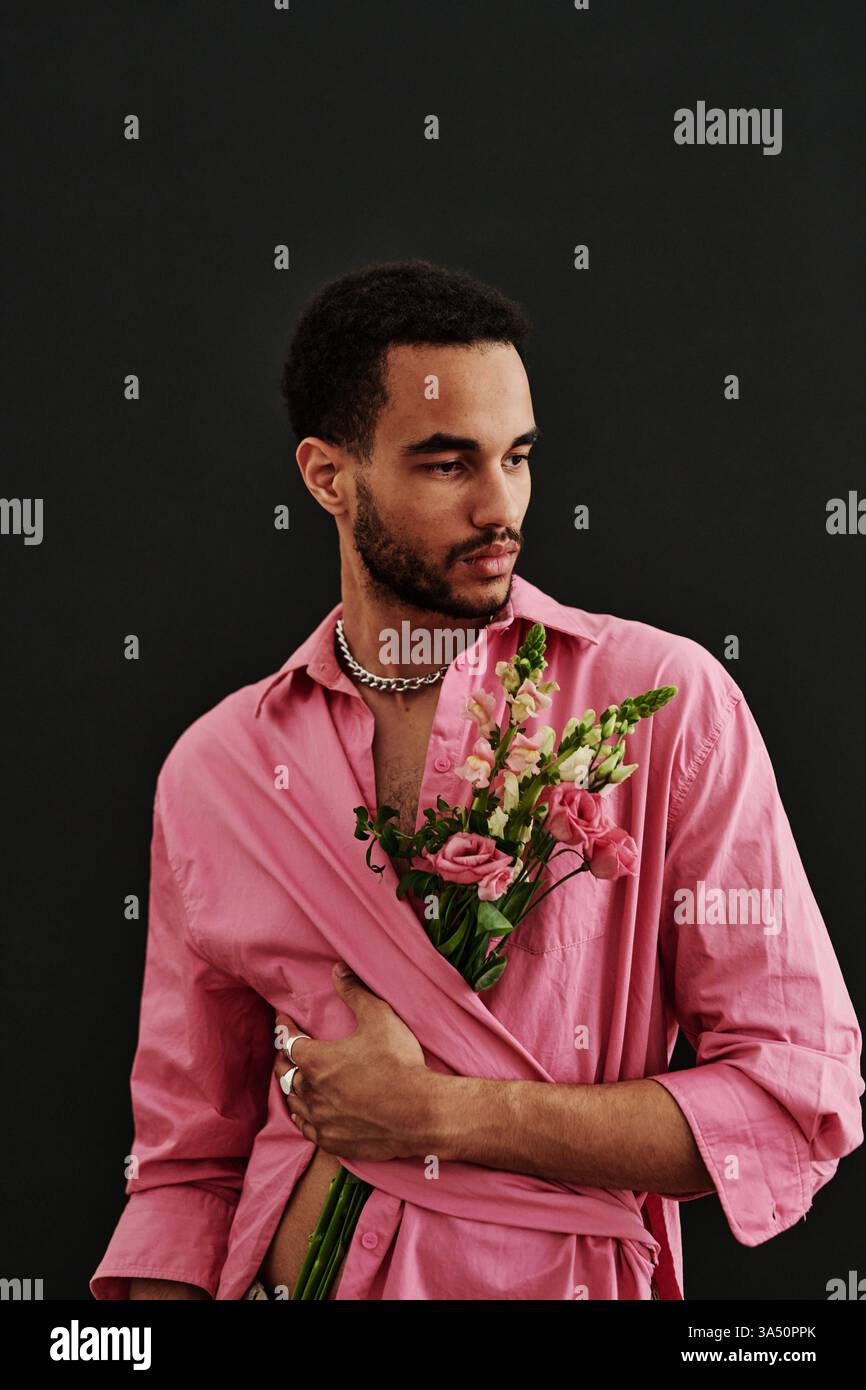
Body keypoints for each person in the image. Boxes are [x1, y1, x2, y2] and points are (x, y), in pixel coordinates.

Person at [90, 259, 863, 1301]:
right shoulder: (219, 767)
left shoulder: (665, 701)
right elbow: (185, 1163)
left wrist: (440, 1117)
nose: (501, 506)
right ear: (327, 475)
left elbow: (790, 1094)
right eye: (447, 463)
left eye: (518, 456)